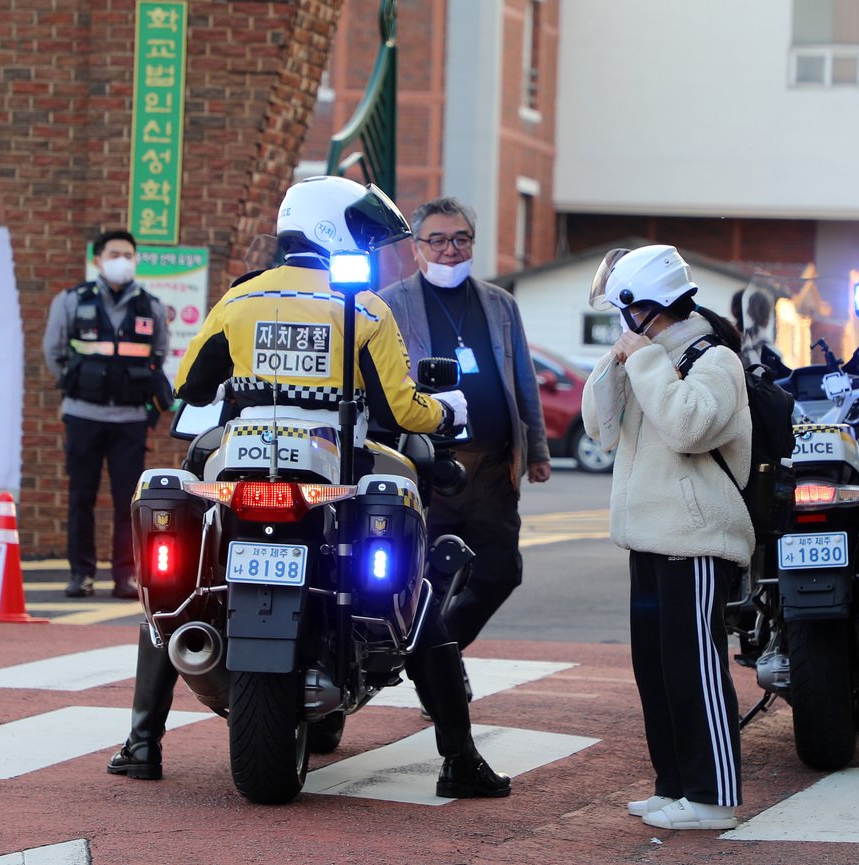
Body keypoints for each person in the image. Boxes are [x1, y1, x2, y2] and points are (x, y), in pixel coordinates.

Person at [107, 176, 509, 799]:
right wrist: (448, 413)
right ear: (335, 230)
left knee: (181, 580)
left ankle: (141, 744)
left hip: (238, 466)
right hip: (337, 465)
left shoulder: (238, 301)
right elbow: (401, 410)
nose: (374, 251)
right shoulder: (363, 308)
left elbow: (190, 385)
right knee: (418, 590)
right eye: (365, 235)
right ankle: (458, 758)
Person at [581, 244, 751, 831]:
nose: (617, 323)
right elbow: (599, 428)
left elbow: (688, 427)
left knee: (694, 668)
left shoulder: (714, 359)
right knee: (656, 668)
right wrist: (619, 362)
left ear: (643, 307)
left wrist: (647, 361)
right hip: (649, 537)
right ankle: (674, 786)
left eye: (621, 311)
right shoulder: (646, 357)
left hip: (696, 538)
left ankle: (714, 797)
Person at [377, 197, 551, 657]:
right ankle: (440, 676)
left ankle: (438, 656)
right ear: (417, 248)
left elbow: (523, 381)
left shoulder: (500, 303)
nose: (450, 249)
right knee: (426, 578)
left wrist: (537, 452)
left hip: (494, 466)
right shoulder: (390, 304)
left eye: (460, 238)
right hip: (431, 465)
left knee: (500, 572)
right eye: (437, 240)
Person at [42, 229, 170, 600]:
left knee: (127, 501)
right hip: (83, 415)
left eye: (128, 255)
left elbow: (158, 353)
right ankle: (81, 574)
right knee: (81, 496)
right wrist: (83, 382)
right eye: (114, 254)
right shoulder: (70, 301)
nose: (122, 261)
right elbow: (54, 353)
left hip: (129, 420)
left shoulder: (152, 306)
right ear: (97, 260)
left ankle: (126, 576)